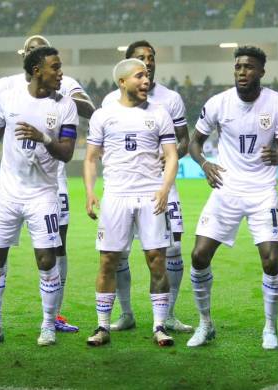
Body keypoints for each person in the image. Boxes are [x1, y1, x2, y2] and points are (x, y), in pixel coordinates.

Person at [0, 35, 94, 335]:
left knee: (48, 257)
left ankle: (50, 323)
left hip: (44, 192)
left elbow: (66, 152)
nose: (61, 72)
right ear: (35, 67)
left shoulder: (65, 104)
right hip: (7, 192)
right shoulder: (8, 94)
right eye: (55, 67)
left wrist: (43, 137)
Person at [187, 46, 278, 350]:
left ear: (261, 71)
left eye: (248, 67)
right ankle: (205, 324)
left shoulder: (277, 103)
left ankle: (270, 328)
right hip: (227, 189)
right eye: (238, 67)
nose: (242, 72)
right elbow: (195, 143)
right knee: (198, 256)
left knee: (271, 261)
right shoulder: (218, 103)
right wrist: (205, 164)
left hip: (263, 192)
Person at [84, 58, 179, 347]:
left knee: (157, 261)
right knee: (108, 261)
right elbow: (90, 158)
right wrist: (90, 192)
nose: (146, 80)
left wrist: (165, 188)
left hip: (150, 195)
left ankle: (160, 325)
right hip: (116, 197)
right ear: (122, 82)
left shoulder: (159, 113)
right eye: (139, 76)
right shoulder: (103, 116)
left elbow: (172, 155)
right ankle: (102, 327)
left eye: (148, 75)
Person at [101, 40, 192, 333]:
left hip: (161, 186)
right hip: (125, 189)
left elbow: (184, 140)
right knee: (120, 253)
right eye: (141, 58)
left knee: (173, 248)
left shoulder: (171, 99)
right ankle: (126, 313)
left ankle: (168, 315)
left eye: (151, 58)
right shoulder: (109, 102)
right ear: (126, 68)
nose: (148, 63)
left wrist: (169, 158)